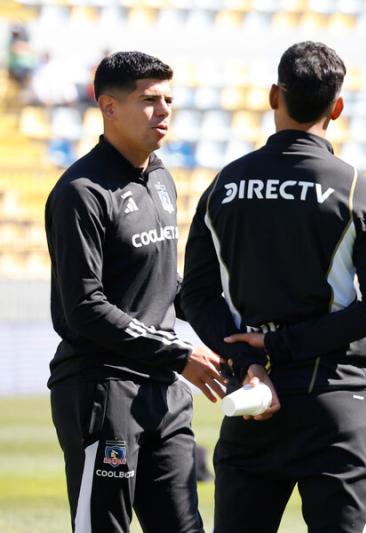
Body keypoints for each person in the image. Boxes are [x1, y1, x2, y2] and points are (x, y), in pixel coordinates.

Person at [179, 41, 366, 533]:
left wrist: (252, 360)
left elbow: (194, 295)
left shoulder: (224, 185)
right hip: (335, 406)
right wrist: (285, 344)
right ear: (337, 107)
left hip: (254, 403)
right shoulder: (355, 189)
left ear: (273, 96)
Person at [44, 51, 225, 533]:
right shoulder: (81, 192)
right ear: (108, 107)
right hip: (103, 391)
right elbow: (85, 307)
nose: (164, 110)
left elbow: (168, 286)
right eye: (149, 100)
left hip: (164, 394)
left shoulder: (162, 179)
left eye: (168, 99)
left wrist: (231, 330)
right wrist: (177, 352)